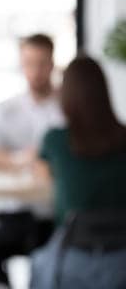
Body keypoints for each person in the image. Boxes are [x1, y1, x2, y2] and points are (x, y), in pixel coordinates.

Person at [30, 55, 126, 288]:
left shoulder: (56, 140)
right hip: (121, 261)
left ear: (66, 95)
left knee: (35, 261)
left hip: (70, 260)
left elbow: (42, 177)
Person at [0, 33, 64, 171]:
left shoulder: (68, 107)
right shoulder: (3, 108)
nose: (36, 71)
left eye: (42, 63)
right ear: (21, 64)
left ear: (52, 64)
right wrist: (20, 159)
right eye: (29, 63)